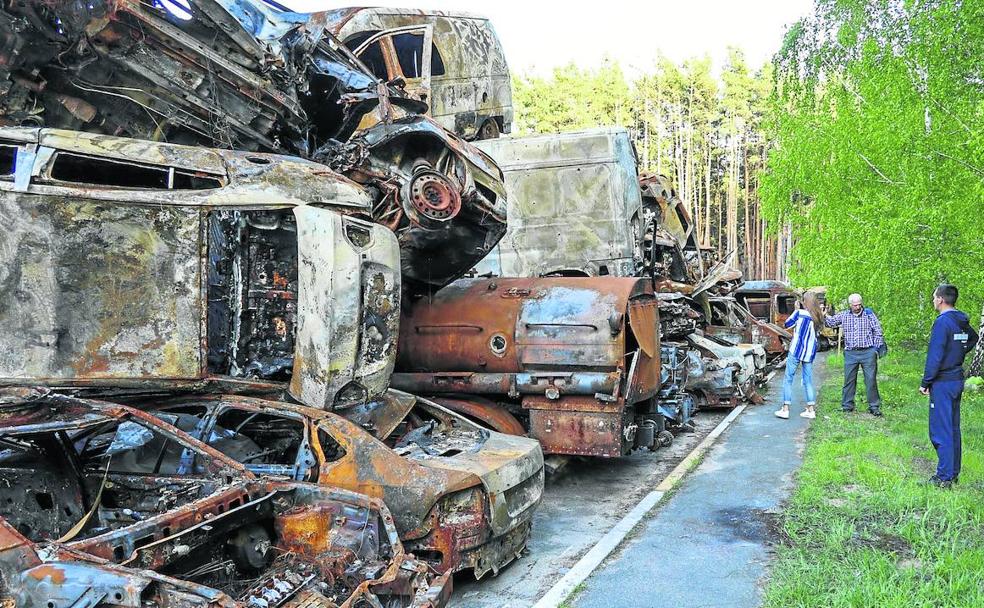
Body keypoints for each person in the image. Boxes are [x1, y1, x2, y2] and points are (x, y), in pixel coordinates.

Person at [919, 284, 979, 488]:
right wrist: (959, 351)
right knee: (953, 428)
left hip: (943, 382)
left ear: (941, 300)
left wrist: (926, 382)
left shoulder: (943, 322)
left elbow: (935, 356)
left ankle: (944, 477)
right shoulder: (960, 320)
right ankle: (952, 472)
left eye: (934, 297)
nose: (933, 300)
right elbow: (973, 338)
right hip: (956, 379)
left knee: (940, 429)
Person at [825, 293, 885, 415]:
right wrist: (822, 315)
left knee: (870, 380)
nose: (857, 307)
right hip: (851, 353)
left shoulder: (869, 315)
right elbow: (830, 323)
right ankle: (847, 405)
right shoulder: (844, 315)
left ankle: (874, 406)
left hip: (868, 352)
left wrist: (875, 349)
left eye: (859, 304)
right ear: (850, 305)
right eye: (854, 305)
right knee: (849, 380)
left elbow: (878, 331)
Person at [775, 296, 821, 420]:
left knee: (788, 378)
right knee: (808, 381)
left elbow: (787, 324)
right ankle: (810, 410)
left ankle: (785, 409)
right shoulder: (817, 316)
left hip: (796, 350)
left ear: (804, 302)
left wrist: (796, 309)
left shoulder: (799, 313)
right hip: (809, 352)